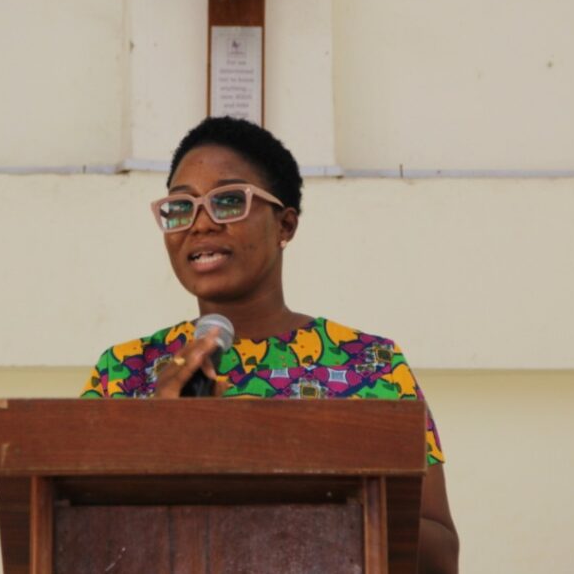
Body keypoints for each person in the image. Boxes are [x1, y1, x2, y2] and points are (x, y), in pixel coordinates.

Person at [81, 116, 459, 573]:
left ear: (285, 225)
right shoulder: (125, 372)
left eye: (227, 201)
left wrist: (304, 483)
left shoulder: (371, 364)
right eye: (181, 207)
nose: (200, 224)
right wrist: (160, 438)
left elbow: (440, 556)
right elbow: (79, 539)